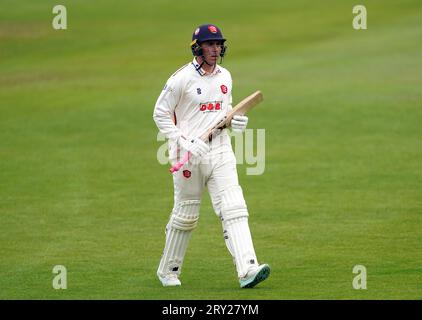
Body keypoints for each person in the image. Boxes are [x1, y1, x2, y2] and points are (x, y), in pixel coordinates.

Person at [153, 23, 270, 288]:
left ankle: (248, 270)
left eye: (218, 44)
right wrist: (185, 141)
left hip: (220, 151)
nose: (215, 49)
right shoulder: (181, 78)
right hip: (188, 154)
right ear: (198, 48)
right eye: (209, 44)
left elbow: (226, 114)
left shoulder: (225, 76)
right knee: (186, 215)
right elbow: (159, 114)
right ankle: (168, 270)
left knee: (234, 206)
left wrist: (237, 122)